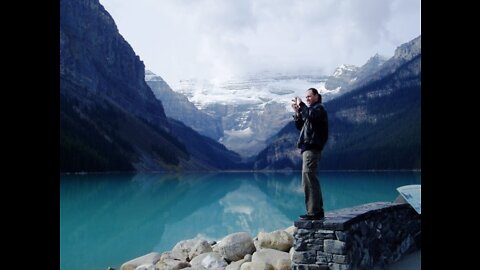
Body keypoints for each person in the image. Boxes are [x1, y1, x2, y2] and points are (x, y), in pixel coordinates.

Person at [291, 88, 328, 220]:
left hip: (312, 148)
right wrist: (297, 113)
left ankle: (314, 212)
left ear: (317, 96)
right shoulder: (312, 111)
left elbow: (310, 116)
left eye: (309, 96)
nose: (307, 99)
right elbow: (302, 126)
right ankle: (317, 210)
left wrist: (301, 105)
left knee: (308, 178)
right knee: (310, 179)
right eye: (305, 97)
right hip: (308, 148)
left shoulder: (319, 109)